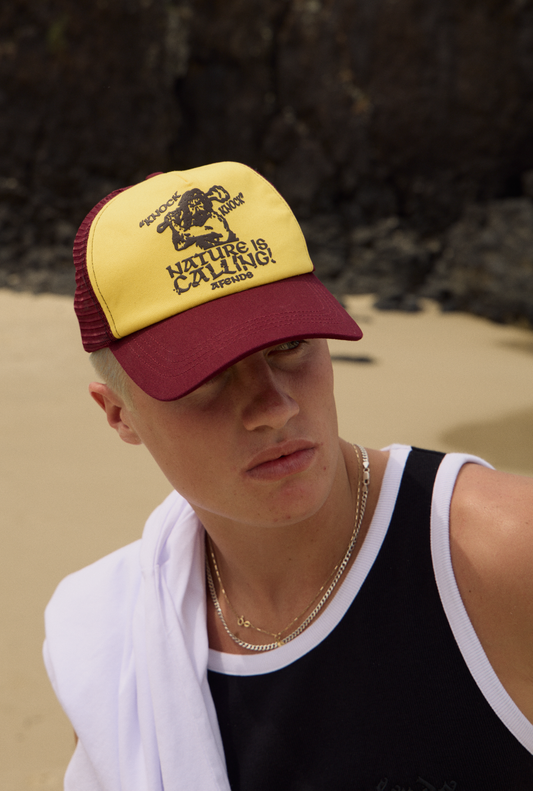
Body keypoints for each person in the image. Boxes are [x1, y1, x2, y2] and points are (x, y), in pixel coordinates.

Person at [44, 162, 533, 791]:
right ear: (118, 413)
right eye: (206, 375)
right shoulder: (107, 640)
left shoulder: (498, 558)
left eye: (289, 346)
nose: (273, 406)